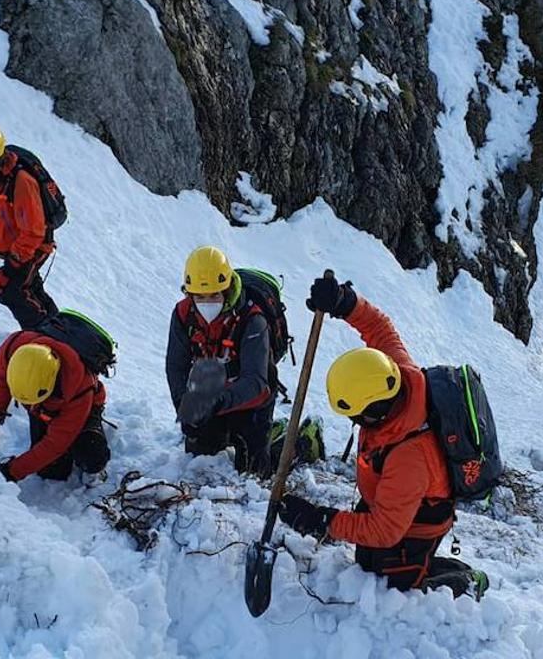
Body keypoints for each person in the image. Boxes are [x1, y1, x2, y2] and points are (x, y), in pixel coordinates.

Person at [277, 275, 488, 598]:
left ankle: (466, 582)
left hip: (420, 522)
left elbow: (385, 530)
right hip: (389, 499)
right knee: (367, 561)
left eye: (355, 417)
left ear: (374, 412)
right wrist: (343, 302)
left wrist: (321, 519)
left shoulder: (410, 455)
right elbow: (378, 328)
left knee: (396, 585)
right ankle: (424, 565)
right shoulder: (396, 374)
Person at [166, 246, 275, 476]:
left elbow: (256, 381)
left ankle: (285, 439)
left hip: (251, 396)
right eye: (200, 297)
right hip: (210, 388)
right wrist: (185, 405)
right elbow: (176, 365)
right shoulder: (183, 314)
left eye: (214, 295)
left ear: (226, 290)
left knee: (255, 471)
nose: (207, 302)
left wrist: (216, 402)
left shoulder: (252, 320)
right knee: (200, 457)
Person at [0, 330, 109, 482]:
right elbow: (0, 380)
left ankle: (94, 465)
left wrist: (11, 471)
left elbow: (54, 444)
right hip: (43, 405)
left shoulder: (79, 389)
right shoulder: (12, 348)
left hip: (79, 407)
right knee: (49, 470)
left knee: (88, 456)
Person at [0, 122, 58, 328]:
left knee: (12, 289)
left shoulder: (21, 181)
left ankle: (43, 335)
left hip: (34, 246)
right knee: (28, 287)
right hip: (9, 247)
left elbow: (33, 232)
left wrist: (10, 268)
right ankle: (58, 329)